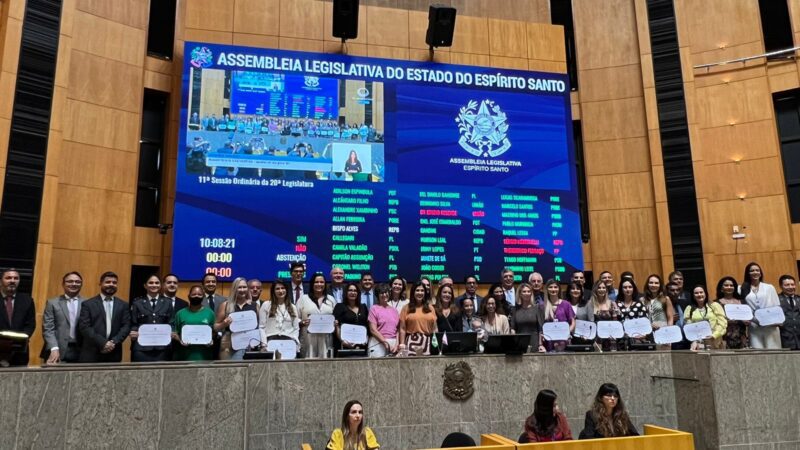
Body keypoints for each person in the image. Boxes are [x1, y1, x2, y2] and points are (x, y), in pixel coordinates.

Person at [78, 271, 131, 363]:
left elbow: (126, 326)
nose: (111, 284)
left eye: (114, 283)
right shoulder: (88, 304)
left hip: (114, 352)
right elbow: (85, 327)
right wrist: (103, 343)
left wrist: (113, 343)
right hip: (92, 352)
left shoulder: (123, 305)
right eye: (108, 282)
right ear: (100, 283)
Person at [42, 271, 85, 364]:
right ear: (63, 284)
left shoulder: (88, 303)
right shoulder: (52, 303)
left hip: (81, 350)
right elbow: (48, 328)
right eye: (70, 281)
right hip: (57, 349)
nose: (74, 284)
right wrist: (53, 348)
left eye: (77, 282)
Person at [129, 274, 174, 362]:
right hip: (141, 348)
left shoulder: (167, 302)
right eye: (151, 283)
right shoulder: (137, 303)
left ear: (160, 285)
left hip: (163, 347)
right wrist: (133, 332)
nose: (154, 285)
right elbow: (133, 323)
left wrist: (172, 332)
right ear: (145, 285)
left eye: (157, 283)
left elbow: (171, 322)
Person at [215, 277, 257, 360]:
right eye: (239, 287)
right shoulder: (225, 305)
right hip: (229, 346)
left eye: (244, 287)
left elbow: (259, 327)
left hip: (249, 346)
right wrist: (224, 324)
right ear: (234, 289)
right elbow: (215, 327)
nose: (242, 290)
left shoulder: (254, 306)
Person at [741, 262, 781, 349]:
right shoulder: (743, 288)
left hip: (770, 324)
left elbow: (776, 305)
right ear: (748, 273)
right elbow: (742, 307)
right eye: (752, 271)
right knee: (757, 352)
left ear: (760, 273)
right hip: (754, 325)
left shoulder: (769, 287)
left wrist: (778, 320)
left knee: (774, 351)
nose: (755, 272)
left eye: (757, 270)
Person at [0, 269, 35, 366]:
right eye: (8, 278)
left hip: (19, 353)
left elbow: (30, 325)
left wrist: (17, 341)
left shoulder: (27, 300)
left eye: (16, 278)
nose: (12, 280)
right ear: (1, 281)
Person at [172, 285, 216, 361]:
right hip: (184, 355)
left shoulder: (210, 313)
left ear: (203, 297)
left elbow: (214, 331)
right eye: (194, 294)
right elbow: (175, 333)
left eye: (199, 294)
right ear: (189, 296)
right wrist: (180, 340)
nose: (196, 296)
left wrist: (211, 340)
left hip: (205, 356)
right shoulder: (180, 313)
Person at [297, 273, 336, 358]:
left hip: (326, 338)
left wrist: (335, 323)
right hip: (308, 338)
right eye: (316, 282)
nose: (319, 284)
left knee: (326, 363)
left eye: (322, 282)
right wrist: (302, 322)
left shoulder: (331, 299)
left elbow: (335, 317)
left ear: (325, 284)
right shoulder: (303, 299)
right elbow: (296, 318)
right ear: (312, 284)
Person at [398, 281, 438, 355]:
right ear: (413, 292)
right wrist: (402, 344)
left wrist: (435, 344)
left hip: (428, 342)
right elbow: (402, 328)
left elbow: (435, 328)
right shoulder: (406, 308)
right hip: (411, 342)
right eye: (417, 290)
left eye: (422, 290)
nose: (420, 293)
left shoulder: (430, 308)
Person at [684, 285, 727, 350]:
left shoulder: (715, 305)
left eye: (701, 292)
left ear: (705, 293)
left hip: (715, 342)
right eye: (696, 293)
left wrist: (714, 335)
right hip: (698, 344)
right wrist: (694, 341)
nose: (699, 294)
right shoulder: (689, 308)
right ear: (693, 295)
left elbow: (722, 323)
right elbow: (688, 326)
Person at [259, 279, 300, 347]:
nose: (281, 291)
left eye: (283, 288)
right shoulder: (266, 305)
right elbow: (261, 327)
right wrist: (264, 344)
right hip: (271, 341)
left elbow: (296, 328)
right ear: (273, 291)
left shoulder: (293, 307)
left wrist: (294, 341)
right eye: (277, 289)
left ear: (286, 290)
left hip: (288, 341)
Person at [333, 282, 369, 355]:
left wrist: (366, 339)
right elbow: (337, 326)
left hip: (362, 346)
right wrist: (342, 340)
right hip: (344, 346)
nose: (353, 292)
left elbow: (367, 326)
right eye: (350, 290)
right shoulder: (339, 307)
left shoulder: (363, 307)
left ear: (358, 293)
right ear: (346, 293)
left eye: (355, 291)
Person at [715, 276, 749, 349]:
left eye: (731, 285)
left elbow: (748, 318)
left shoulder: (742, 302)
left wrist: (747, 321)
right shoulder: (716, 303)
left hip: (741, 338)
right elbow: (714, 321)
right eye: (726, 285)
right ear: (721, 288)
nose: (729, 287)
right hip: (724, 339)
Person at [542, 279, 576, 352]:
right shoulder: (542, 306)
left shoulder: (566, 304)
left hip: (563, 340)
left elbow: (573, 322)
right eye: (550, 287)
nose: (553, 289)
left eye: (555, 287)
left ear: (559, 289)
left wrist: (566, 333)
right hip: (548, 342)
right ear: (547, 289)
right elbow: (540, 324)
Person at [587, 280, 621, 352]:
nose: (602, 290)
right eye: (599, 288)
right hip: (596, 337)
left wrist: (616, 312)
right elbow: (590, 321)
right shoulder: (590, 303)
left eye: (604, 288)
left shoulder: (612, 303)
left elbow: (616, 321)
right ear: (595, 289)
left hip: (610, 337)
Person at [367, 284, 400, 357]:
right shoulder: (374, 309)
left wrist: (397, 344)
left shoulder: (394, 310)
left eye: (386, 292)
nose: (384, 295)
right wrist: (385, 342)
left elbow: (398, 330)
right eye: (381, 293)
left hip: (393, 344)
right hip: (378, 343)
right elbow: (373, 330)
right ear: (377, 295)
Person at [511, 283, 544, 352]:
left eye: (529, 291)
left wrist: (540, 344)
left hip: (534, 342)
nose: (527, 293)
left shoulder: (537, 308)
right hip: (520, 342)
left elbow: (540, 328)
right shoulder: (515, 309)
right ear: (520, 294)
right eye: (524, 291)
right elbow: (513, 328)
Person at [616, 278, 648, 350]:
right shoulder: (616, 304)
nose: (628, 289)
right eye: (625, 287)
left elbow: (644, 321)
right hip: (620, 339)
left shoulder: (639, 304)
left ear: (634, 289)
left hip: (636, 338)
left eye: (630, 287)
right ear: (621, 289)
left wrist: (643, 335)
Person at [778, 274, 800, 350]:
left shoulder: (799, 299)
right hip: (785, 339)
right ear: (781, 286)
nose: (790, 287)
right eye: (787, 285)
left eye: (792, 284)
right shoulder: (776, 300)